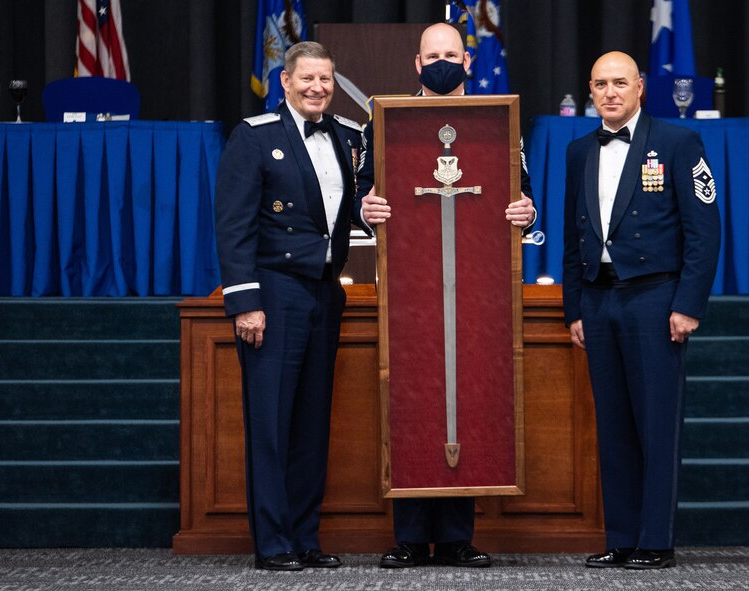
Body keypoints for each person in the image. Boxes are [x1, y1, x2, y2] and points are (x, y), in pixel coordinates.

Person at [359, 23, 536, 569]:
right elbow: (365, 191)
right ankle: (410, 535)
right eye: (432, 55)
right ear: (416, 64)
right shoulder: (384, 121)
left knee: (468, 390)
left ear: (468, 59)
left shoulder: (494, 121)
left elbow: (523, 192)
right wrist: (367, 210)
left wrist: (527, 210)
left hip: (478, 286)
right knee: (413, 391)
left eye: (450, 54)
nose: (441, 62)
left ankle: (458, 535)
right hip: (408, 286)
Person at [562, 51, 721, 570]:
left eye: (620, 83)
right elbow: (572, 238)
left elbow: (704, 231)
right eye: (601, 84)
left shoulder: (678, 142)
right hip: (599, 297)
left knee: (655, 423)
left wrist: (688, 305)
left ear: (640, 87)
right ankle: (622, 537)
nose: (610, 92)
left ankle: (655, 541)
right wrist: (574, 308)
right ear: (590, 89)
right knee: (612, 426)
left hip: (655, 298)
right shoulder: (578, 150)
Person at [214, 41, 368, 572]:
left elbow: (369, 206)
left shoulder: (349, 138)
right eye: (307, 79)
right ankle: (274, 542)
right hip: (274, 294)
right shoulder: (254, 137)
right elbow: (234, 227)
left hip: (327, 291)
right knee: (272, 422)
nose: (317, 88)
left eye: (325, 79)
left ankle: (305, 538)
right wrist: (245, 303)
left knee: (310, 422)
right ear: (285, 81)